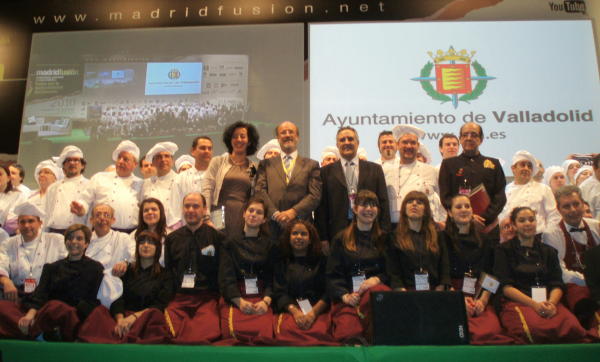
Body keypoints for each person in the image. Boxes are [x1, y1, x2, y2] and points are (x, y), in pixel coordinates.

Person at [494, 207, 586, 344]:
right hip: (520, 301)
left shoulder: (548, 251)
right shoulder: (503, 250)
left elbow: (557, 283)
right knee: (532, 331)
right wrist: (534, 305)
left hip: (548, 302)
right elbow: (506, 287)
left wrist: (552, 304)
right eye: (522, 220)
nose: (527, 223)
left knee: (573, 329)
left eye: (531, 220)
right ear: (514, 225)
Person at [439, 195, 513, 344]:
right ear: (450, 213)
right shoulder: (441, 238)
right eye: (458, 207)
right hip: (451, 294)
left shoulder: (485, 240)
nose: (464, 210)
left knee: (491, 331)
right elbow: (442, 274)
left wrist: (483, 300)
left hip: (478, 294)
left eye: (467, 206)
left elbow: (492, 274)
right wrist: (458, 300)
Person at [78, 231, 174, 344]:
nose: (146, 245)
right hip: (122, 317)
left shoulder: (166, 275)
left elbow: (160, 305)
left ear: (158, 248)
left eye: (151, 243)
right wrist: (120, 319)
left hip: (144, 318)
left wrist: (133, 318)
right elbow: (117, 297)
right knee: (99, 312)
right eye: (142, 242)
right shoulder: (125, 271)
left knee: (155, 316)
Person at [17, 224, 104, 341]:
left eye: (79, 238)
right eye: (70, 238)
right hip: (50, 313)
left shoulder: (96, 268)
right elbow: (40, 295)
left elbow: (92, 300)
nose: (73, 241)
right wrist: (29, 316)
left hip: (77, 316)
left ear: (86, 244)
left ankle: (48, 332)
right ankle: (43, 331)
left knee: (59, 308)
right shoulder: (51, 268)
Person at [326, 190, 391, 343]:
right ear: (354, 209)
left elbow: (392, 272)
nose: (369, 209)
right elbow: (332, 275)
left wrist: (376, 279)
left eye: (373, 205)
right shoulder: (340, 238)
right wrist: (345, 296)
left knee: (380, 332)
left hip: (375, 298)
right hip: (349, 298)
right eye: (364, 205)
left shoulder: (385, 239)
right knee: (349, 335)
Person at [317, 127, 390, 253]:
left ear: (357, 142)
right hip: (336, 232)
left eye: (350, 139)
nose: (346, 142)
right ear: (337, 144)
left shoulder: (375, 169)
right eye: (342, 140)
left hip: (370, 231)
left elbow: (383, 202)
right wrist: (323, 238)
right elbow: (321, 207)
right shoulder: (325, 172)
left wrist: (384, 233)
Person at [164, 192, 224, 344]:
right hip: (179, 298)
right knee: (171, 333)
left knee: (206, 335)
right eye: (187, 206)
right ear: (182, 209)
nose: (190, 210)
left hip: (207, 299)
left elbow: (222, 272)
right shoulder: (171, 239)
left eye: (196, 206)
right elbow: (169, 273)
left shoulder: (217, 238)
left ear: (204, 210)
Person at [0, 202, 67, 339]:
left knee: (56, 308)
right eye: (22, 222)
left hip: (46, 295)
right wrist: (6, 281)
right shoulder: (9, 243)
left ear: (40, 222)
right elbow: (1, 264)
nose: (26, 226)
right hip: (19, 295)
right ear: (18, 224)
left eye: (31, 221)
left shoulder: (56, 240)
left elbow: (66, 265)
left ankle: (26, 330)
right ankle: (38, 332)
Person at [218, 198, 277, 344]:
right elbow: (226, 277)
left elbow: (274, 277)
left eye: (259, 212)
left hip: (262, 297)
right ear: (244, 214)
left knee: (265, 334)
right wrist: (239, 301)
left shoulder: (271, 245)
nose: (253, 214)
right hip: (237, 297)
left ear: (264, 219)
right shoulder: (229, 243)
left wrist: (266, 301)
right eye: (250, 210)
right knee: (232, 334)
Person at [542, 185, 600, 329]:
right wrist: (588, 281)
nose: (573, 210)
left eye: (576, 204)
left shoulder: (597, 227)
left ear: (582, 203)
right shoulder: (552, 233)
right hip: (573, 287)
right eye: (567, 206)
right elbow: (560, 273)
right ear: (558, 209)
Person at [272, 220, 336, 346]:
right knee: (288, 334)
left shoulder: (322, 261)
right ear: (288, 238)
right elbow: (279, 292)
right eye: (295, 233)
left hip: (317, 310)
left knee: (319, 335)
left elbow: (328, 291)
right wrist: (295, 312)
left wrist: (313, 313)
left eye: (303, 234)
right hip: (290, 311)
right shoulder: (281, 262)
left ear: (310, 239)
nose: (299, 237)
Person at [255, 121, 322, 239]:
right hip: (272, 226)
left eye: (291, 132)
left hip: (301, 226)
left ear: (298, 137)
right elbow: (260, 191)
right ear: (278, 138)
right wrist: (275, 214)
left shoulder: (312, 165)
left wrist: (293, 212)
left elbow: (315, 195)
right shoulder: (265, 164)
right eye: (283, 132)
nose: (287, 135)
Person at [439, 122, 506, 237]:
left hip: (487, 227)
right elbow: (446, 197)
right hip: (456, 227)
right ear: (460, 139)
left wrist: (484, 219)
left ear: (481, 139)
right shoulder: (448, 164)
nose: (469, 138)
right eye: (465, 135)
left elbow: (500, 196)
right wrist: (467, 217)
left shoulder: (494, 164)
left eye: (474, 135)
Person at [202, 121, 259, 239]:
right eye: (234, 136)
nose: (238, 139)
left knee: (238, 246)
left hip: (242, 215)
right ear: (230, 140)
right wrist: (205, 216)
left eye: (242, 136)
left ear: (249, 141)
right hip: (218, 212)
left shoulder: (253, 167)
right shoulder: (218, 161)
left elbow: (254, 194)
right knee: (218, 245)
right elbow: (207, 189)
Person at [386, 190, 450, 292]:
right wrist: (401, 291)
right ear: (404, 208)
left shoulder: (438, 236)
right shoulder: (394, 237)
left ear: (426, 210)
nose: (414, 204)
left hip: (435, 291)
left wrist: (441, 287)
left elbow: (444, 266)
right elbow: (393, 271)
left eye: (419, 202)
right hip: (406, 293)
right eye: (410, 201)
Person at [75, 140, 143, 233]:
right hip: (101, 232)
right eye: (119, 158)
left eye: (125, 159)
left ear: (135, 164)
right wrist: (81, 207)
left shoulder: (140, 183)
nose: (120, 161)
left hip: (130, 234)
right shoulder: (99, 178)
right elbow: (85, 199)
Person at [388, 125, 445, 227]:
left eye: (413, 143)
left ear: (418, 146)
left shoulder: (431, 171)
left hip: (423, 227)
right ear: (397, 145)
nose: (409, 146)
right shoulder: (386, 171)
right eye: (405, 142)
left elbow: (442, 200)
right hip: (394, 227)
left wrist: (444, 222)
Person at [500, 150, 560, 234]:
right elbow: (502, 216)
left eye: (529, 166)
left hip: (538, 237)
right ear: (513, 168)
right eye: (522, 165)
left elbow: (554, 215)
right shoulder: (506, 190)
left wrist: (548, 235)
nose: (526, 168)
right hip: (512, 237)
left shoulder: (544, 189)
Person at [44, 145, 90, 234]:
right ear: (63, 166)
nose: (72, 163)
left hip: (77, 232)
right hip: (53, 231)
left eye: (76, 160)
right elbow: (47, 213)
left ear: (82, 165)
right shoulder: (53, 187)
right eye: (68, 160)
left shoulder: (89, 185)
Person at [141, 142, 181, 229]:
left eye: (167, 156)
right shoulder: (146, 184)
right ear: (153, 162)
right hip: (153, 229)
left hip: (178, 228)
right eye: (159, 157)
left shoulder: (181, 180)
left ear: (172, 161)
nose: (163, 160)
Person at [175, 136, 213, 201]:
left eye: (209, 148)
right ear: (193, 151)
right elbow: (176, 204)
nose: (207, 151)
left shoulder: (218, 175)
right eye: (203, 148)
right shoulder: (181, 178)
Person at [132, 198, 168, 266]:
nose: (150, 212)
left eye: (154, 209)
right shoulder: (133, 236)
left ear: (161, 212)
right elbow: (132, 259)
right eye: (146, 210)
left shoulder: (170, 235)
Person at [0, 165, 27, 235]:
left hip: (8, 235)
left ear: (8, 178)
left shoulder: (18, 195)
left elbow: (12, 222)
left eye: (0, 174)